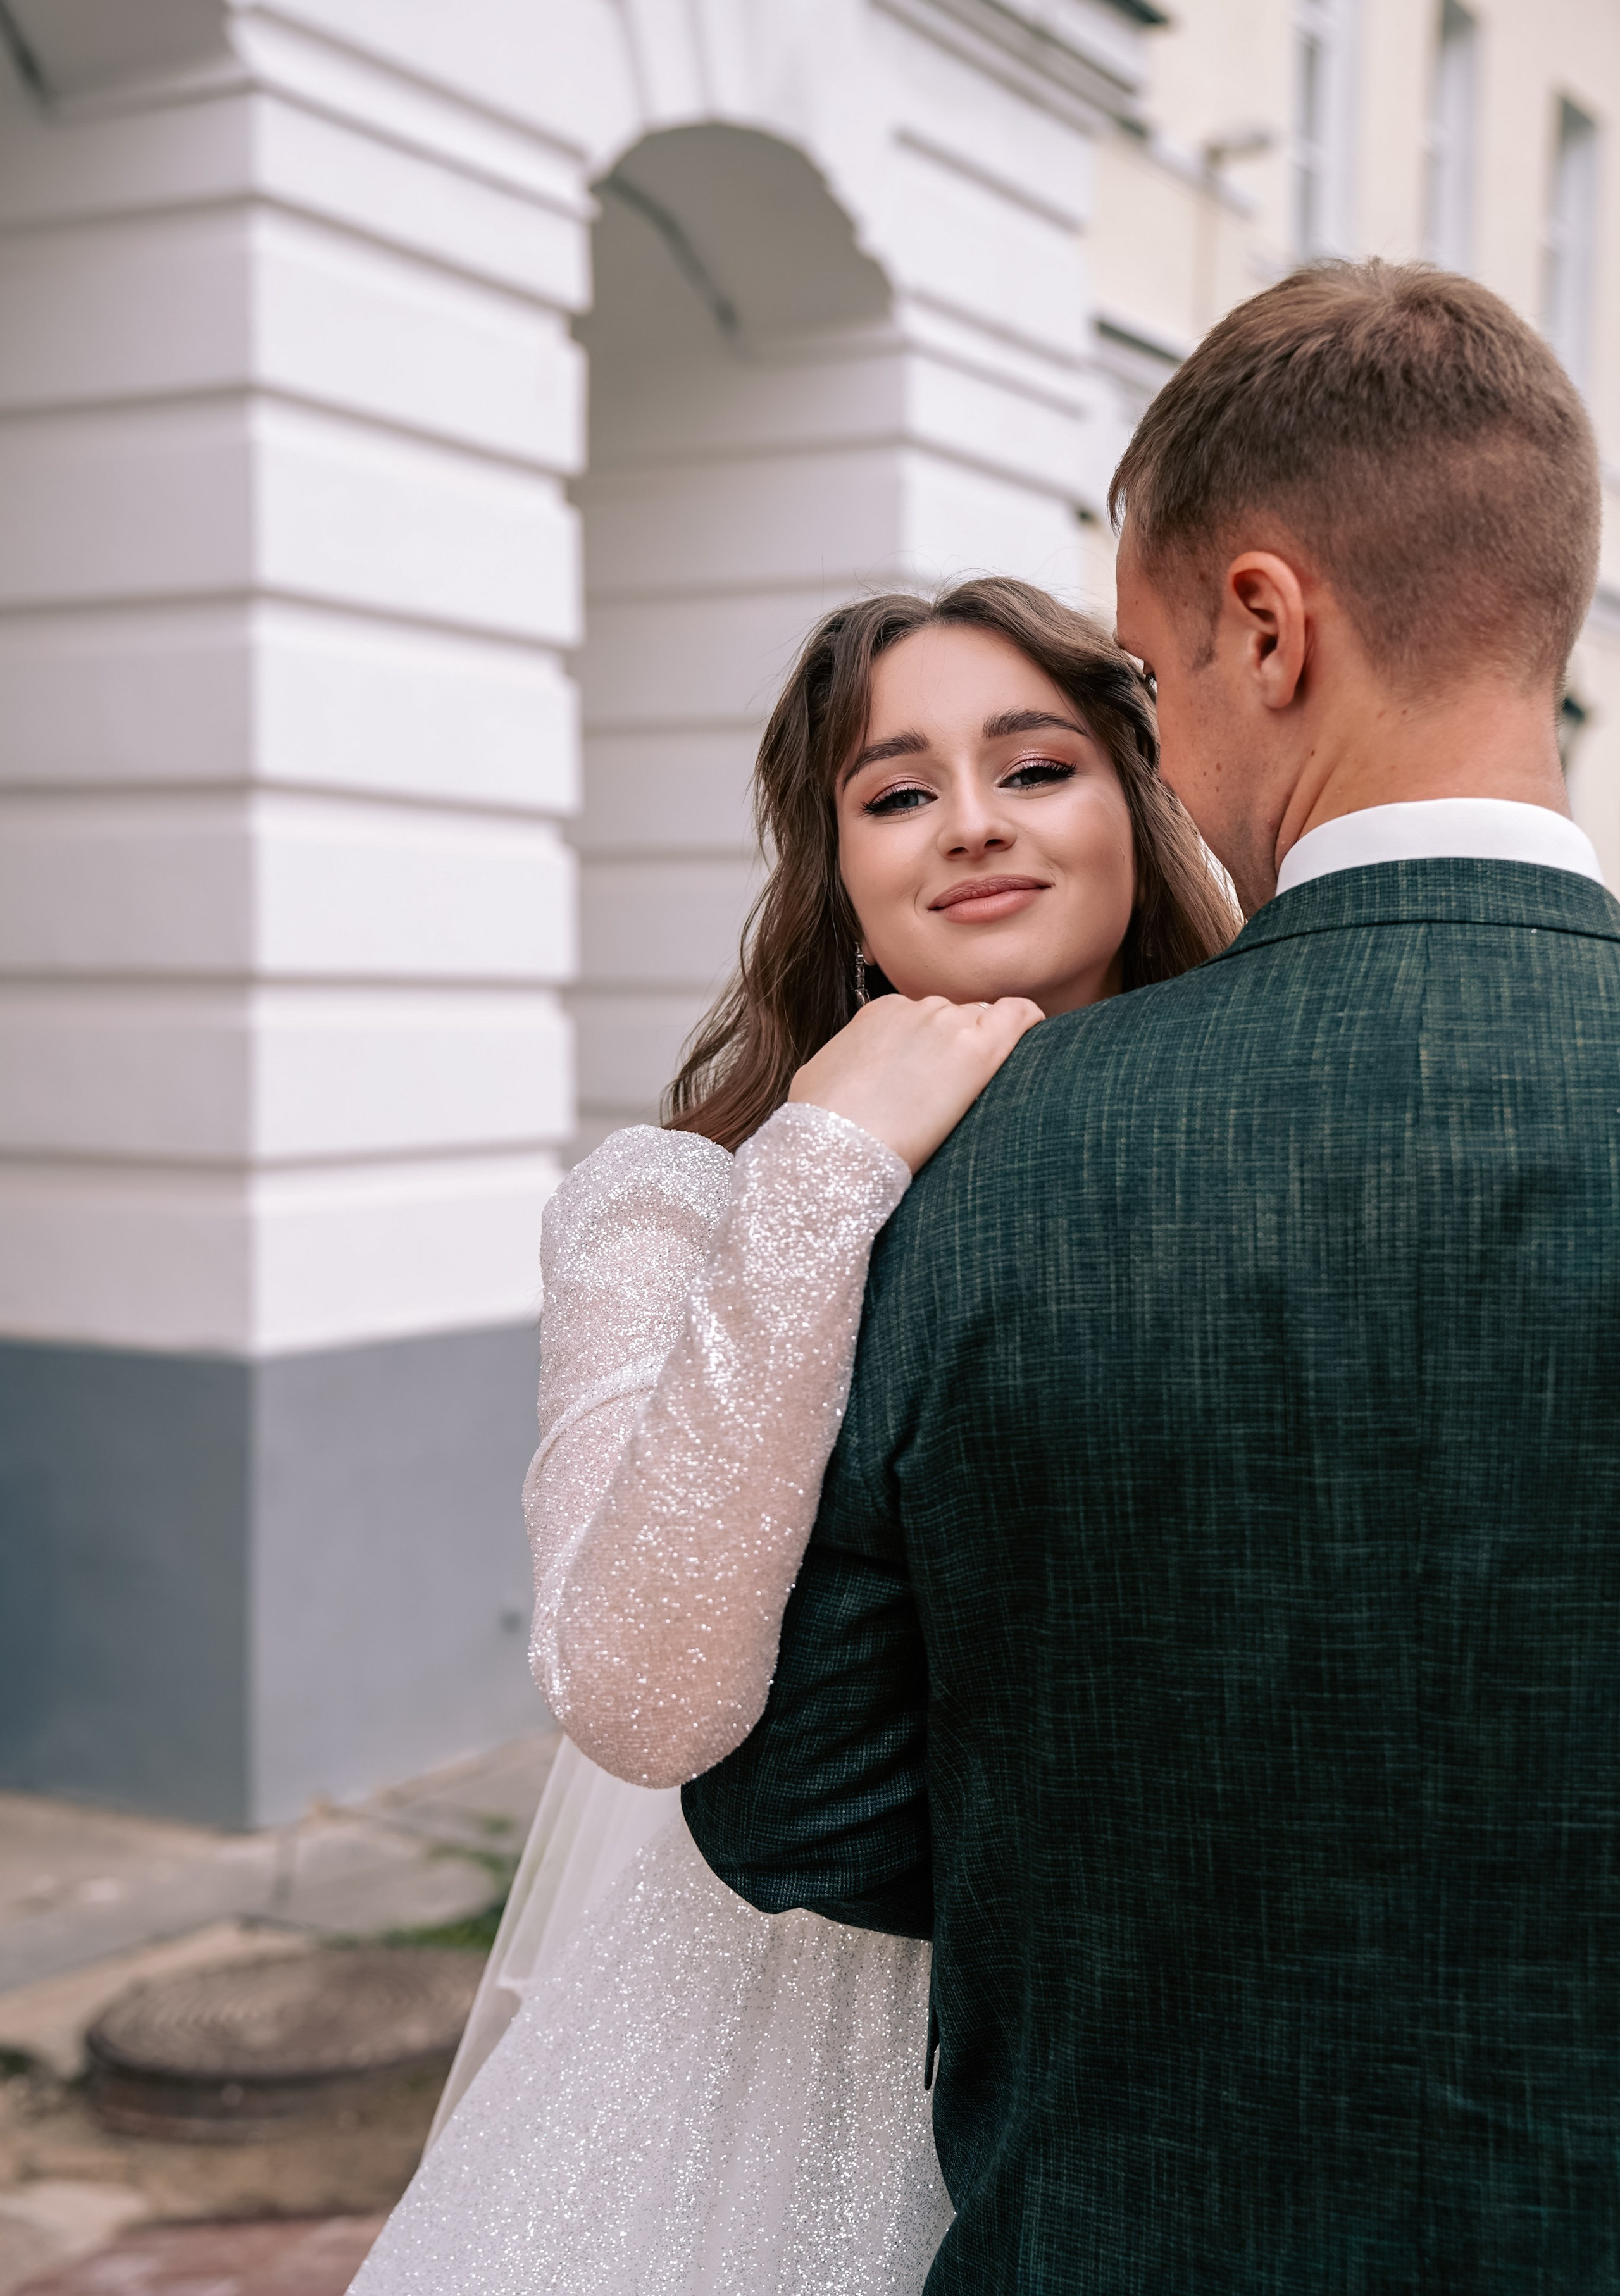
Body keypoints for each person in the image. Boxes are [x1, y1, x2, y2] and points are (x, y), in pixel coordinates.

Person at [685, 261, 1620, 2291]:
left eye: (1148, 681)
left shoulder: (978, 1156)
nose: (1162, 754)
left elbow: (800, 1807)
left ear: (1268, 628)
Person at [348, 580, 1235, 2296]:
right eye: (897, 793)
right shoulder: (671, 1208)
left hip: (1160, 2039)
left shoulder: (1255, 1143)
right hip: (777, 2058)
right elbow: (638, 1694)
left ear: (1138, 799)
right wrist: (821, 1180)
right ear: (837, 872)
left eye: (1035, 768)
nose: (970, 824)